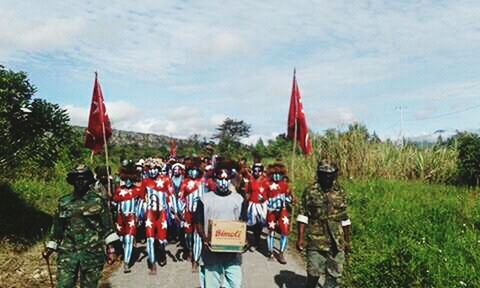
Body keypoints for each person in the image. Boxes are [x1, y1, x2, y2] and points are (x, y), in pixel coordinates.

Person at [42, 164, 120, 287]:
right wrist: (50, 247)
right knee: (64, 285)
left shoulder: (98, 201)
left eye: (83, 178)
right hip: (68, 253)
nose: (80, 181)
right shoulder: (64, 202)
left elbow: (108, 228)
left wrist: (111, 250)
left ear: (89, 180)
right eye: (77, 178)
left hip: (92, 253)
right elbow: (57, 229)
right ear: (72, 181)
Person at [296, 160, 352, 288]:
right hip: (316, 239)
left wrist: (347, 241)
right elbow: (303, 216)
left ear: (335, 174)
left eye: (330, 174)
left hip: (337, 241)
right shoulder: (310, 191)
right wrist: (300, 238)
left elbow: (345, 218)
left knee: (334, 276)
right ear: (318, 174)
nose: (327, 177)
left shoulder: (340, 192)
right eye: (323, 174)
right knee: (314, 272)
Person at [193, 160, 247, 288]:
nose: (223, 182)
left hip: (232, 253)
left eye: (226, 178)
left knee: (235, 283)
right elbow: (198, 221)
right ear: (214, 180)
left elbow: (243, 222)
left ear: (230, 179)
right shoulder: (205, 199)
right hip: (211, 251)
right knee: (212, 283)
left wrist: (244, 240)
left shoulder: (239, 199)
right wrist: (204, 238)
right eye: (219, 178)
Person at [142, 162, 172, 274]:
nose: (153, 171)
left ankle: (161, 251)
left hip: (162, 213)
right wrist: (139, 213)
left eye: (155, 168)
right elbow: (141, 198)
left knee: (161, 239)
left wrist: (173, 211)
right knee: (150, 238)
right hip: (150, 212)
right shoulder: (145, 181)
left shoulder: (166, 180)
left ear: (159, 169)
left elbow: (170, 195)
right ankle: (152, 263)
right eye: (150, 168)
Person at [112, 162, 143, 273]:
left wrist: (138, 217)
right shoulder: (119, 190)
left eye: (130, 179)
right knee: (122, 239)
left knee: (129, 239)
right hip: (121, 217)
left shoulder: (137, 190)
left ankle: (126, 262)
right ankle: (125, 253)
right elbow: (115, 204)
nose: (128, 181)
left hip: (131, 217)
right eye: (126, 179)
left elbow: (140, 204)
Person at [178, 157, 205, 271]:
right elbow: (180, 197)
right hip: (188, 213)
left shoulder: (204, 182)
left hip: (199, 214)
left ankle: (196, 259)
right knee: (188, 236)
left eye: (195, 169)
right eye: (191, 170)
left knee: (198, 236)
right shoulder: (185, 183)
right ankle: (189, 249)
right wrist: (181, 211)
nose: (193, 172)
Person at [265, 162, 294, 264]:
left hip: (283, 210)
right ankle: (270, 252)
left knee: (285, 230)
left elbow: (288, 197)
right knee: (271, 230)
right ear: (271, 174)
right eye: (274, 173)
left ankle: (281, 253)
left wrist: (291, 199)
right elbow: (264, 197)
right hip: (271, 211)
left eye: (279, 174)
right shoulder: (267, 184)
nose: (277, 176)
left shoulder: (285, 185)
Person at [243, 162, 268, 251]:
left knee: (259, 225)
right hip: (252, 204)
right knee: (251, 224)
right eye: (255, 170)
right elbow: (248, 192)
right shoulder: (251, 180)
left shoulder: (266, 181)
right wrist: (245, 201)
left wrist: (264, 199)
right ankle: (248, 242)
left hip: (261, 206)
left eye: (259, 171)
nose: (257, 172)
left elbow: (269, 193)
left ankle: (257, 243)